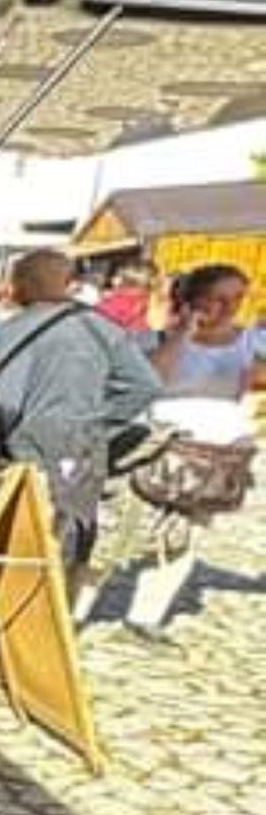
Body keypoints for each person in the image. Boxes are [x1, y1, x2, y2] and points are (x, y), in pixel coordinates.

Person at [0, 248, 160, 582]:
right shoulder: (103, 328)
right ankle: (66, 599)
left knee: (23, 538)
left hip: (27, 447)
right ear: (69, 284)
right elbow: (145, 386)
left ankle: (18, 599)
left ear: (21, 284)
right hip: (82, 447)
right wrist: (97, 423)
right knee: (74, 534)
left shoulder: (13, 329)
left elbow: (6, 400)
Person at [120, 264, 262, 642]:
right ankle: (76, 606)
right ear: (193, 299)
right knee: (128, 532)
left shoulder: (249, 342)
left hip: (217, 455)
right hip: (158, 448)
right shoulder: (153, 339)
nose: (229, 307)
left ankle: (146, 615)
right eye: (218, 299)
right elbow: (153, 381)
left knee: (187, 535)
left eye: (237, 298)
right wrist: (184, 333)